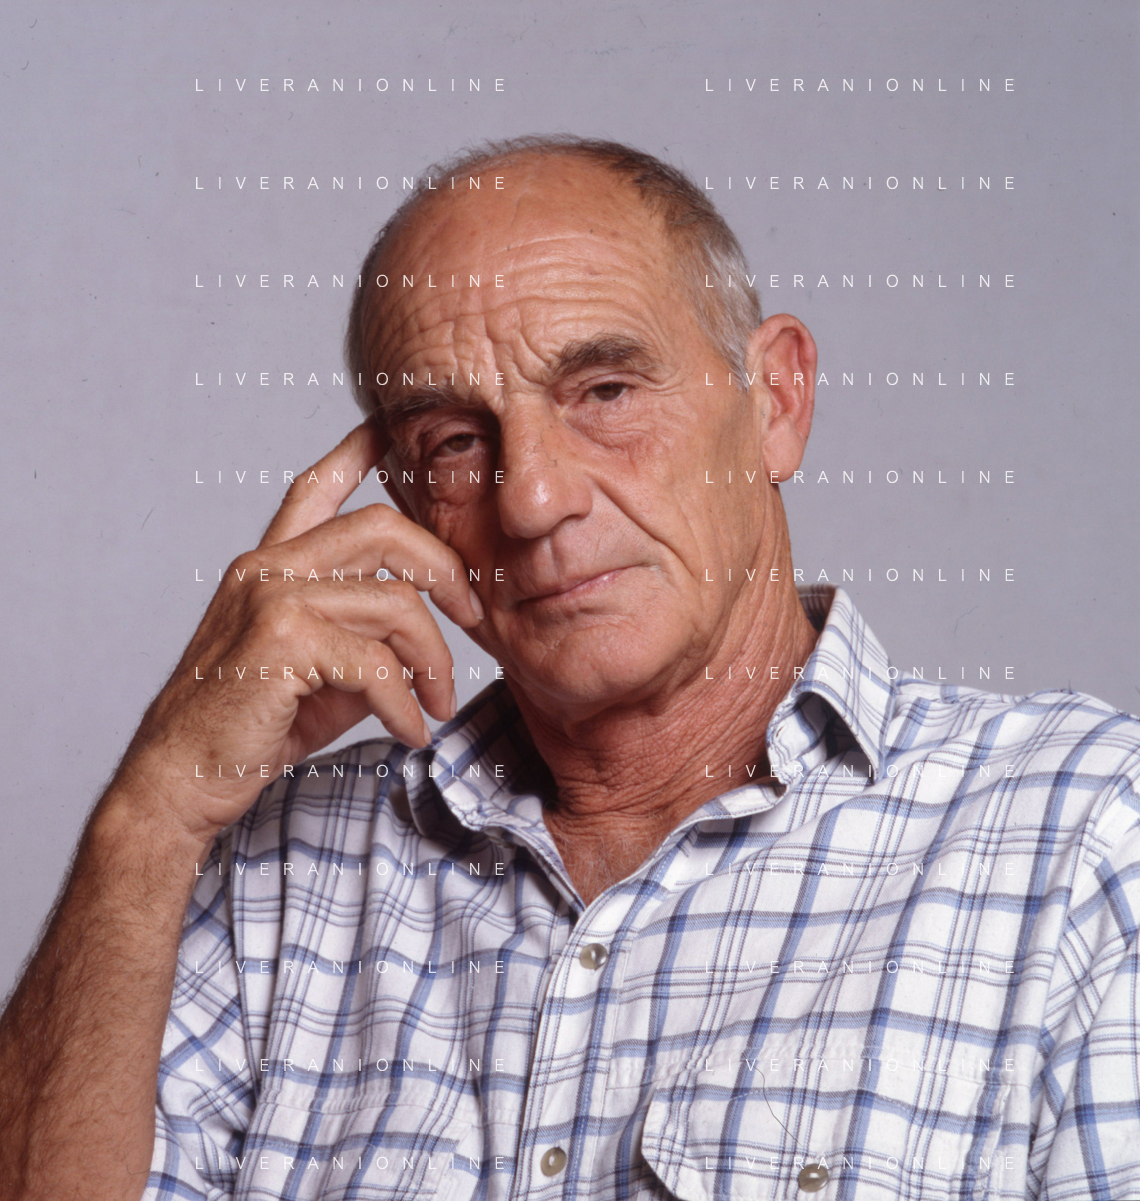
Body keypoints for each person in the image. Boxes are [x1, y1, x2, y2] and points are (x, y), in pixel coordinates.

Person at [1, 136, 1137, 1201]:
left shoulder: (1083, 834)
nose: (535, 499)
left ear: (777, 402)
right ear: (407, 507)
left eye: (605, 392)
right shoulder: (279, 873)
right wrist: (153, 812)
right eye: (456, 441)